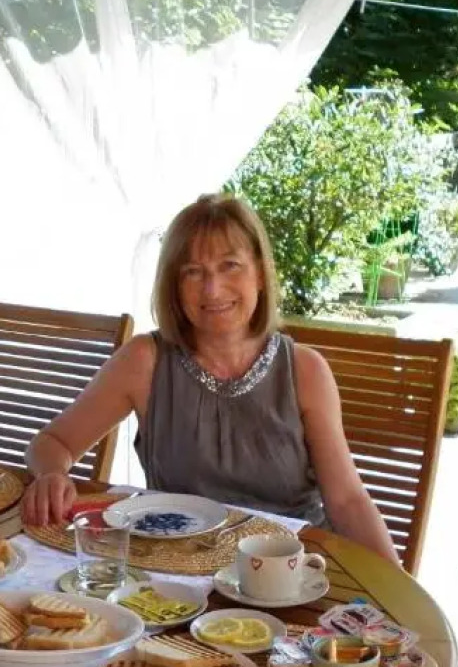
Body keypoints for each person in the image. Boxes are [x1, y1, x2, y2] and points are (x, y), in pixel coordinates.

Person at [21, 193, 400, 564]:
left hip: (290, 575)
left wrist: (402, 593)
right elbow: (51, 443)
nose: (212, 289)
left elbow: (348, 501)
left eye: (230, 265)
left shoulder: (306, 370)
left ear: (260, 274)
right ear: (174, 285)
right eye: (192, 272)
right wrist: (52, 474)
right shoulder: (143, 361)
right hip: (176, 575)